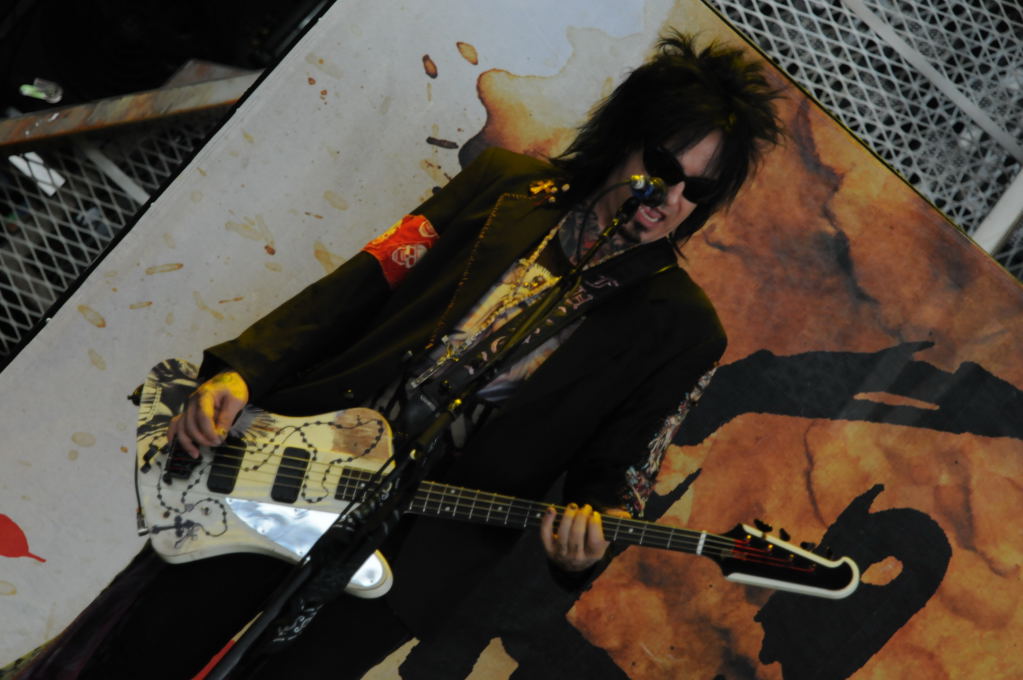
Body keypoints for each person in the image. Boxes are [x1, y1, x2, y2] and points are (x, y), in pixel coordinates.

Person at [21, 31, 782, 680]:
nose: (669, 199)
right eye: (663, 166)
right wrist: (243, 371)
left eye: (697, 192)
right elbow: (359, 286)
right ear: (624, 137)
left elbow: (616, 475)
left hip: (418, 552)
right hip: (293, 462)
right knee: (145, 650)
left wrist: (590, 542)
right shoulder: (504, 188)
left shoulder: (682, 328)